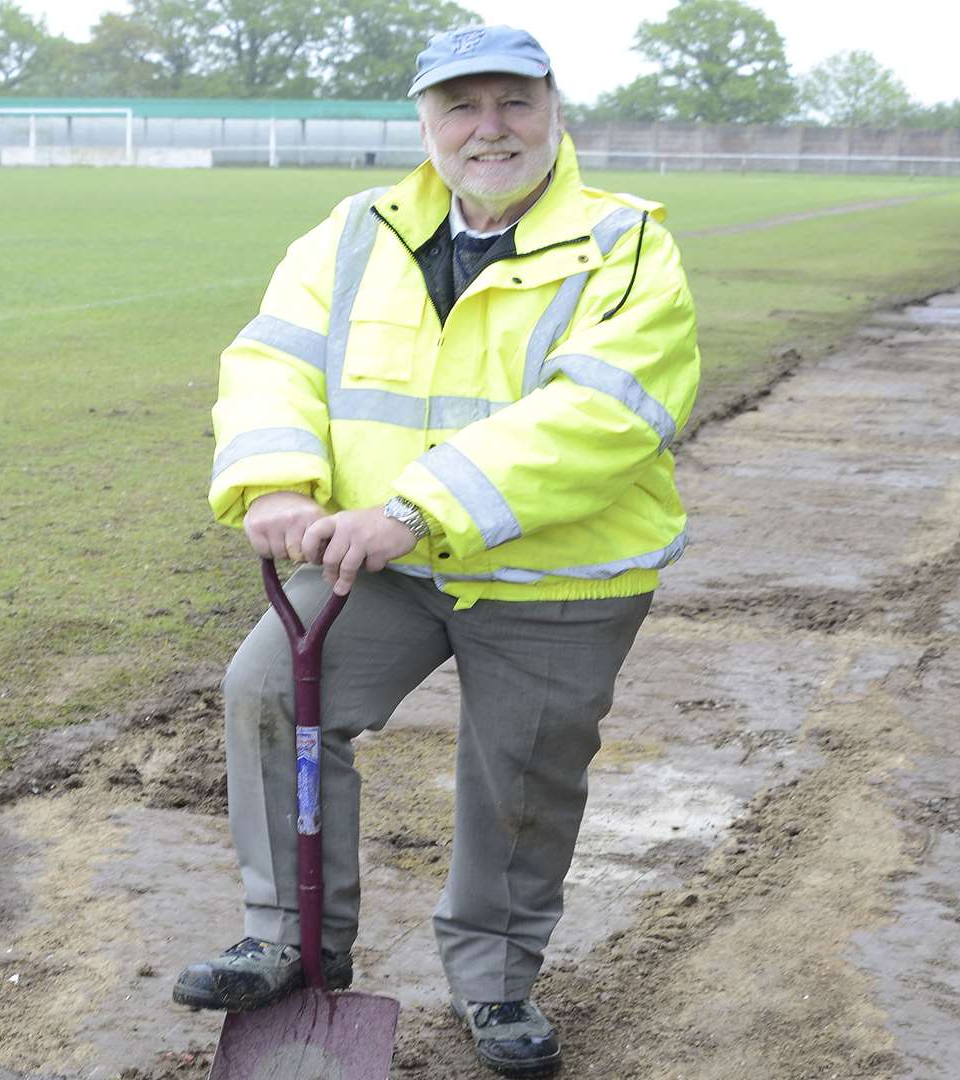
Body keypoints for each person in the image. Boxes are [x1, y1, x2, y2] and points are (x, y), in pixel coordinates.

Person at [174, 24, 700, 1077]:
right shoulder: (352, 230)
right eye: (461, 106)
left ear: (554, 111)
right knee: (271, 693)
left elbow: (601, 414)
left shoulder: (624, 244)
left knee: (521, 779)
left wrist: (413, 509)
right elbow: (273, 359)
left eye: (512, 102)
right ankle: (288, 940)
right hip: (385, 568)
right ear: (425, 124)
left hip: (558, 576)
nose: (487, 128)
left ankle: (496, 984)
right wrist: (276, 476)